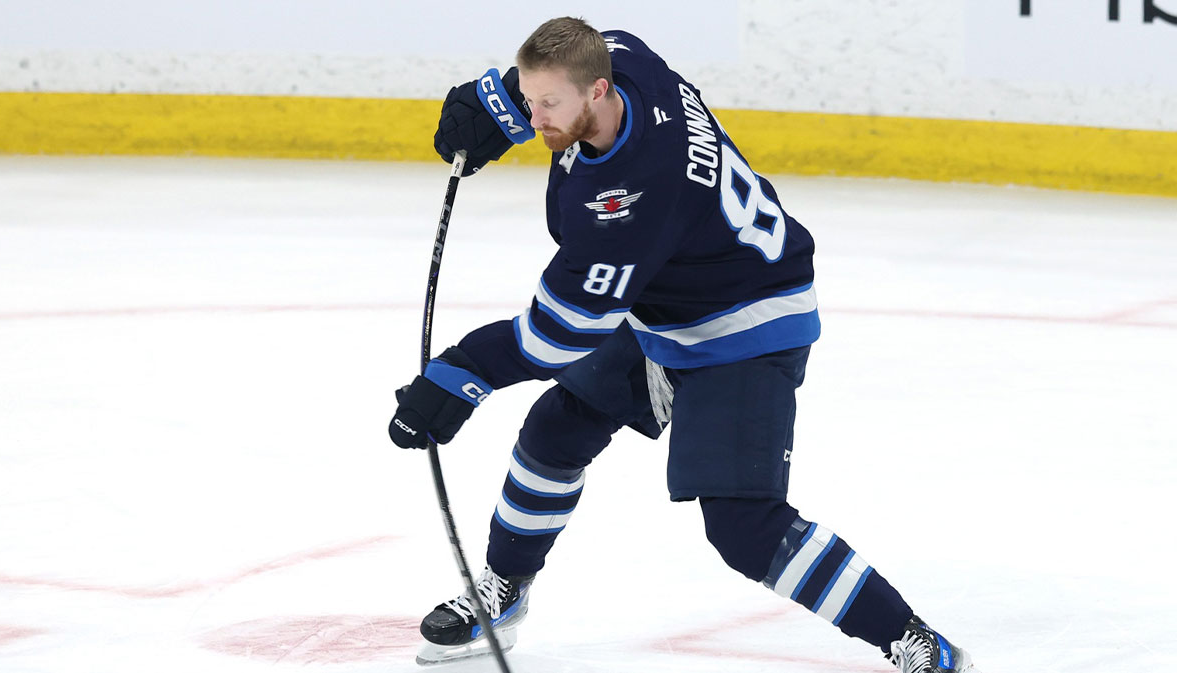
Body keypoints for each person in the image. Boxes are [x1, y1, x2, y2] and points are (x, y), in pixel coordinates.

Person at [389, 17, 980, 673]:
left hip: (745, 325)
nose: (535, 117)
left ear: (595, 94)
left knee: (744, 526)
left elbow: (558, 335)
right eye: (531, 100)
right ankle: (502, 593)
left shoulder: (626, 203)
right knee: (557, 430)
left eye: (546, 105)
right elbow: (598, 39)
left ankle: (917, 641)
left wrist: (461, 374)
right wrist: (497, 101)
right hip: (671, 301)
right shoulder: (627, 64)